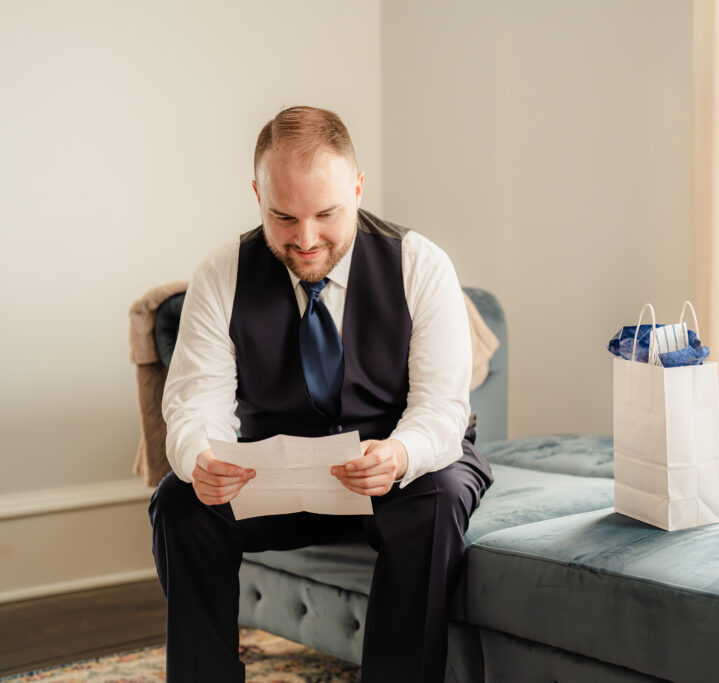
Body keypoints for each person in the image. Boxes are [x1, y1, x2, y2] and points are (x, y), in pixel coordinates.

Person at [148, 105, 493, 683]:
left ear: (357, 189)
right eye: (283, 217)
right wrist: (199, 458)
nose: (306, 240)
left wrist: (401, 454)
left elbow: (441, 407)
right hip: (276, 481)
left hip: (401, 473)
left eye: (327, 214)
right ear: (257, 194)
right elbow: (193, 403)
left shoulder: (421, 264)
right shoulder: (221, 274)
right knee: (180, 505)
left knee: (440, 496)